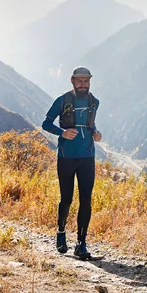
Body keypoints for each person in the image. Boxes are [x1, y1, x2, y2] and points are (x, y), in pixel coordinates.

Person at [42, 66, 102, 259]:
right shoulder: (62, 101)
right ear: (72, 81)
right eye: (80, 81)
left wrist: (96, 133)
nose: (83, 85)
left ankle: (81, 243)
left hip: (87, 157)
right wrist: (62, 133)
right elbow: (46, 124)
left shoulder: (94, 102)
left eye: (86, 81)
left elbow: (90, 125)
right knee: (66, 199)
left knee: (86, 200)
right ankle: (60, 232)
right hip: (66, 157)